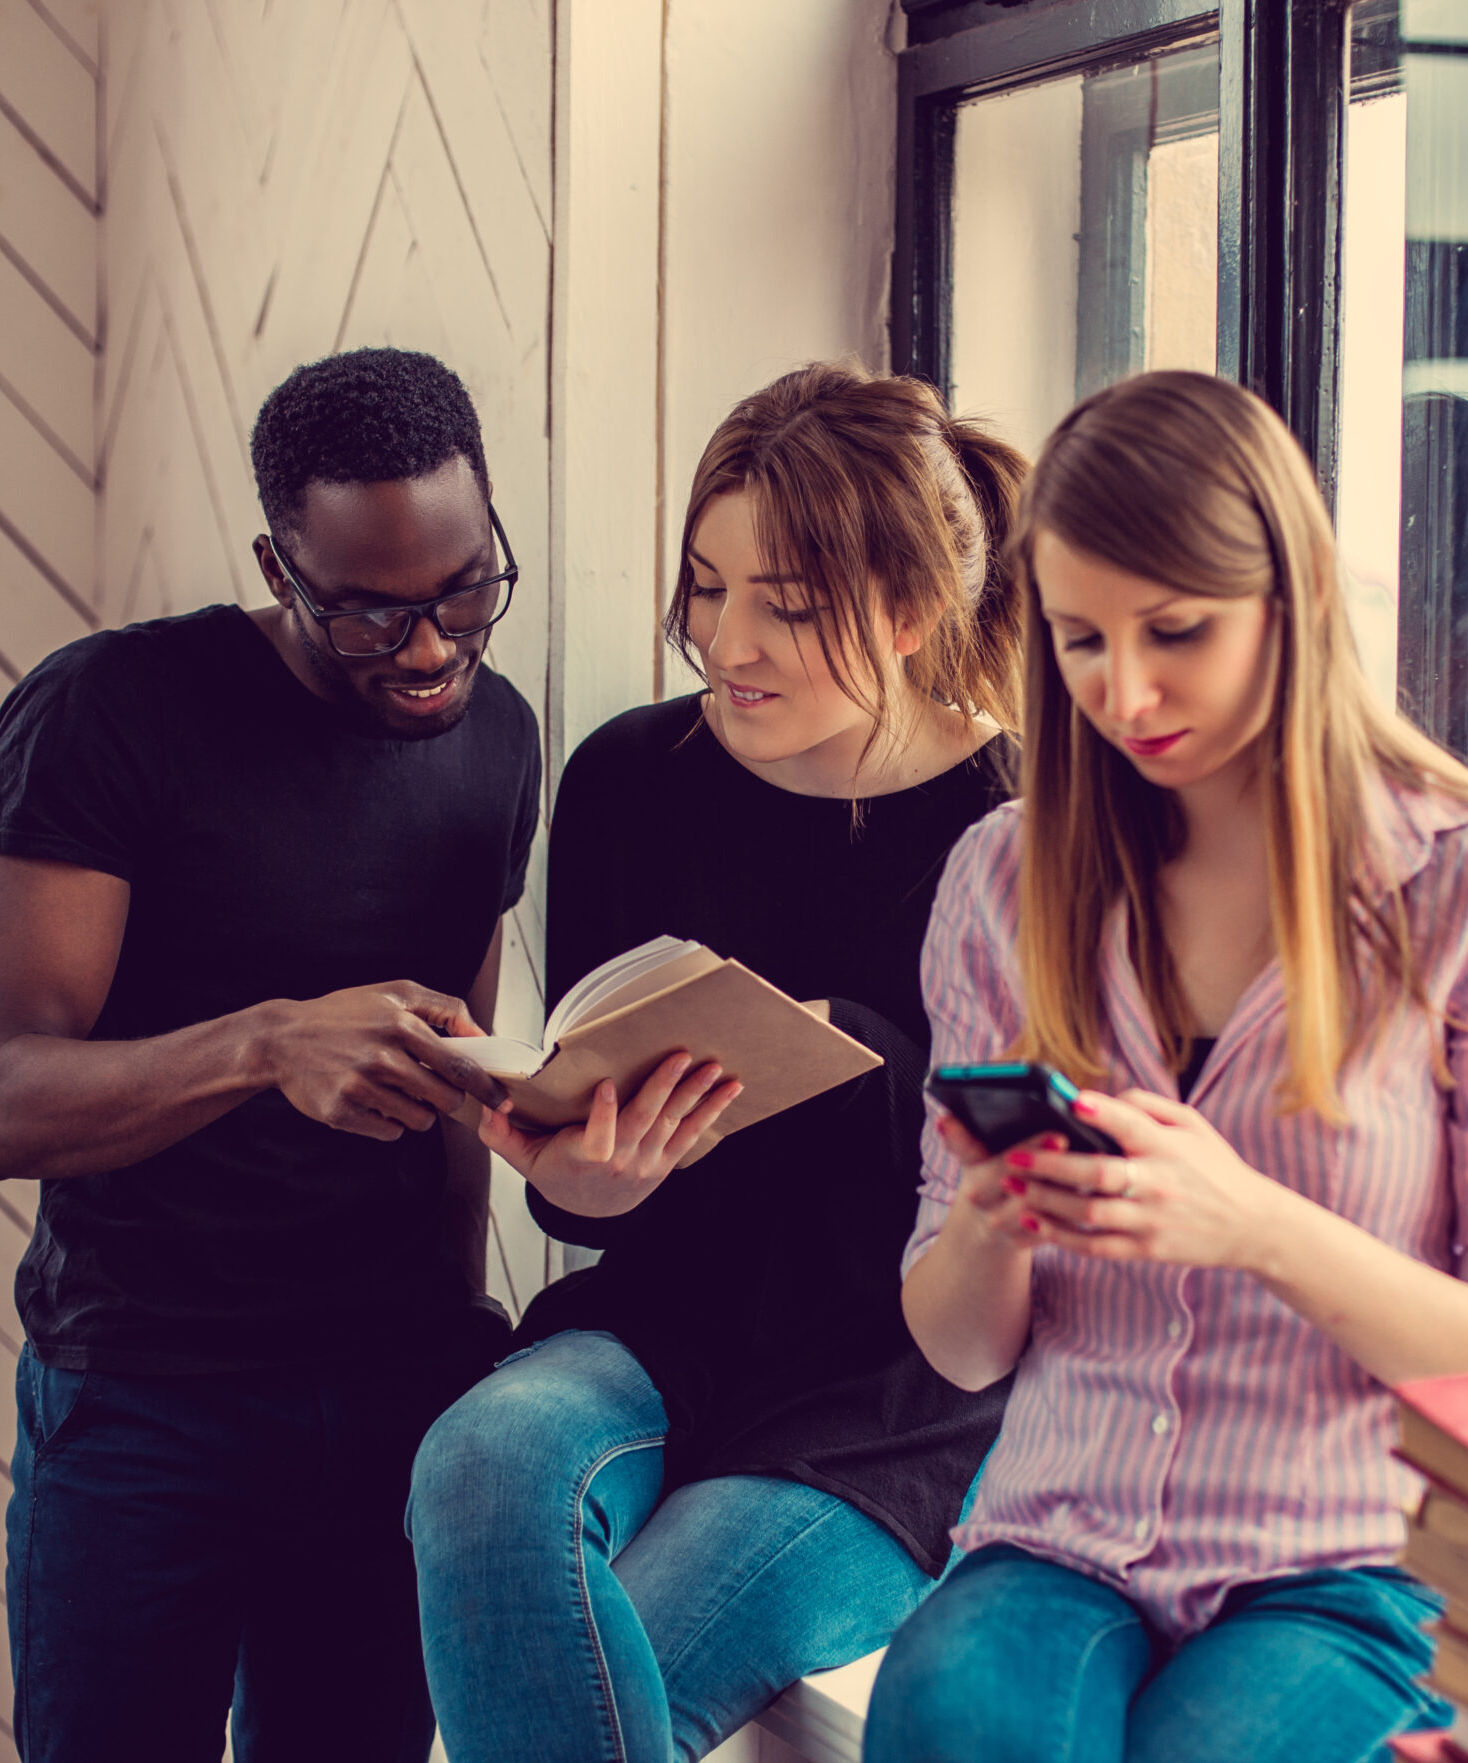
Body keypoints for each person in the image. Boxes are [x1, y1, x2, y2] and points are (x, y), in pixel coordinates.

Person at [866, 371, 1468, 1763]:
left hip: (1356, 1560)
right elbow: (959, 1347)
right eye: (1082, 641)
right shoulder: (1003, 878)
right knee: (949, 1719)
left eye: (1177, 632)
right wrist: (989, 1221)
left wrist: (1256, 1226)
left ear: (1297, 599)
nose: (1126, 690)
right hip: (1056, 1535)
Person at [406, 364, 1025, 1762]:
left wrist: (858, 1052)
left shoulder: (1022, 829)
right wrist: (590, 1180)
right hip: (662, 1326)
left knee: (618, 1658)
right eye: (705, 587)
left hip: (893, 1397)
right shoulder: (629, 778)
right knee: (479, 1460)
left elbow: (1038, 1205)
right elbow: (587, 1184)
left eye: (787, 606)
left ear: (911, 611)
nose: (726, 642)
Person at [0, 347, 541, 1763]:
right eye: (372, 613)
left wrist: (456, 1323)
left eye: (466, 591)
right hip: (145, 1404)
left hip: (393, 1397)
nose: (429, 650)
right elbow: (3, 1099)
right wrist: (267, 1044)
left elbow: (453, 1084)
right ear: (279, 570)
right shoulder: (110, 712)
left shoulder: (499, 740)